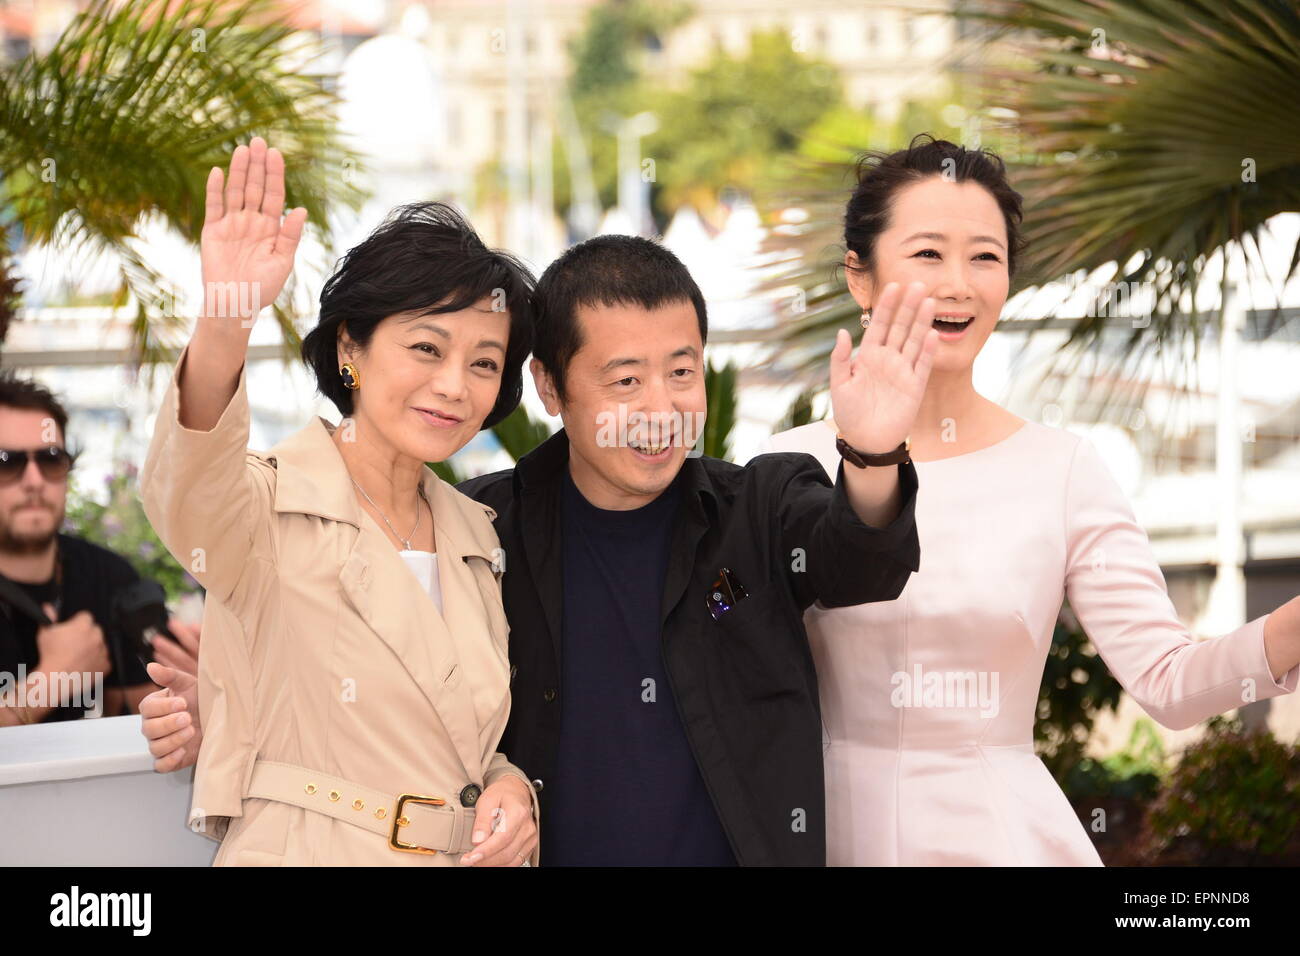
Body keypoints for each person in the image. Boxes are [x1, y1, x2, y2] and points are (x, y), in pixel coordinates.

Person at [147, 229, 942, 865]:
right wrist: (228, 695)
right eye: (625, 380)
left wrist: (871, 453)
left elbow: (857, 559)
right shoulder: (496, 524)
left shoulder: (757, 509)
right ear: (552, 389)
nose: (659, 408)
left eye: (682, 372)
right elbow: (203, 498)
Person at [766, 134, 1300, 866]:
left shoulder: (1065, 471)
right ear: (860, 278)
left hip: (999, 838)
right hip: (809, 832)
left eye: (985, 256)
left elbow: (1168, 682)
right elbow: (709, 649)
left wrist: (1293, 627)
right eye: (928, 254)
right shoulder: (778, 465)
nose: (958, 283)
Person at [138, 137, 539, 866]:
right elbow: (187, 484)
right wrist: (227, 315)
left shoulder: (474, 534)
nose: (455, 385)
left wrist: (511, 790)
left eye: (484, 362)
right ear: (350, 348)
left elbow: (457, 746)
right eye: (426, 348)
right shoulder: (263, 505)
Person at [0, 375, 173, 725]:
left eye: (50, 459)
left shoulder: (109, 577)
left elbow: (157, 722)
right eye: (7, 461)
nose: (34, 480)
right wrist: (52, 680)